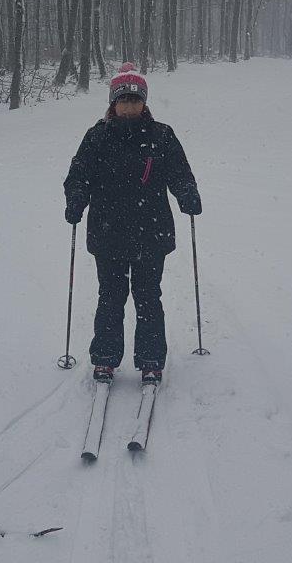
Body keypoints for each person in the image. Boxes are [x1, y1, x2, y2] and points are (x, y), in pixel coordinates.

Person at [64, 62, 202, 386]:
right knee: (111, 297)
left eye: (135, 100)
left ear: (144, 103)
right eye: (123, 100)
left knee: (148, 296)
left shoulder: (161, 136)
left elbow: (180, 172)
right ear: (113, 103)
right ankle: (105, 358)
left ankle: (151, 360)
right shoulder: (97, 137)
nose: (129, 106)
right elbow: (78, 176)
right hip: (108, 232)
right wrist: (76, 198)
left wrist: (187, 193)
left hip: (150, 232)